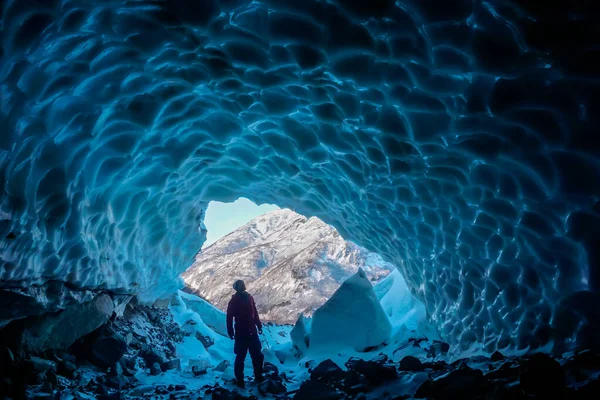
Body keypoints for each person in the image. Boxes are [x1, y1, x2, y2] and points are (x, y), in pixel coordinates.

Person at [226, 280, 264, 388]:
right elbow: (229, 317)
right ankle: (240, 380)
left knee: (257, 355)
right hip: (241, 333)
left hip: (252, 332)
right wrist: (230, 331)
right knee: (240, 357)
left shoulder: (250, 297)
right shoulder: (234, 300)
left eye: (243, 284)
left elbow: (255, 313)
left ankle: (258, 376)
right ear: (237, 288)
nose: (243, 286)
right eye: (240, 285)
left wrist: (259, 325)